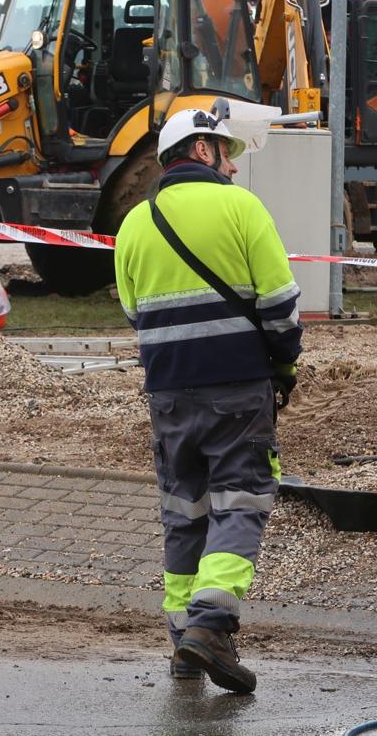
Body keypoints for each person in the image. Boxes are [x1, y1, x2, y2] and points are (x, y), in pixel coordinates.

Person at [114, 108, 303, 694]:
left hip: (167, 394)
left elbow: (131, 311)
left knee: (184, 512)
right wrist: (285, 362)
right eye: (225, 150)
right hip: (237, 388)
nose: (232, 162)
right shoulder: (241, 208)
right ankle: (212, 626)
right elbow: (279, 303)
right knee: (241, 503)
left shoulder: (133, 224)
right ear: (200, 150)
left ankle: (181, 645)